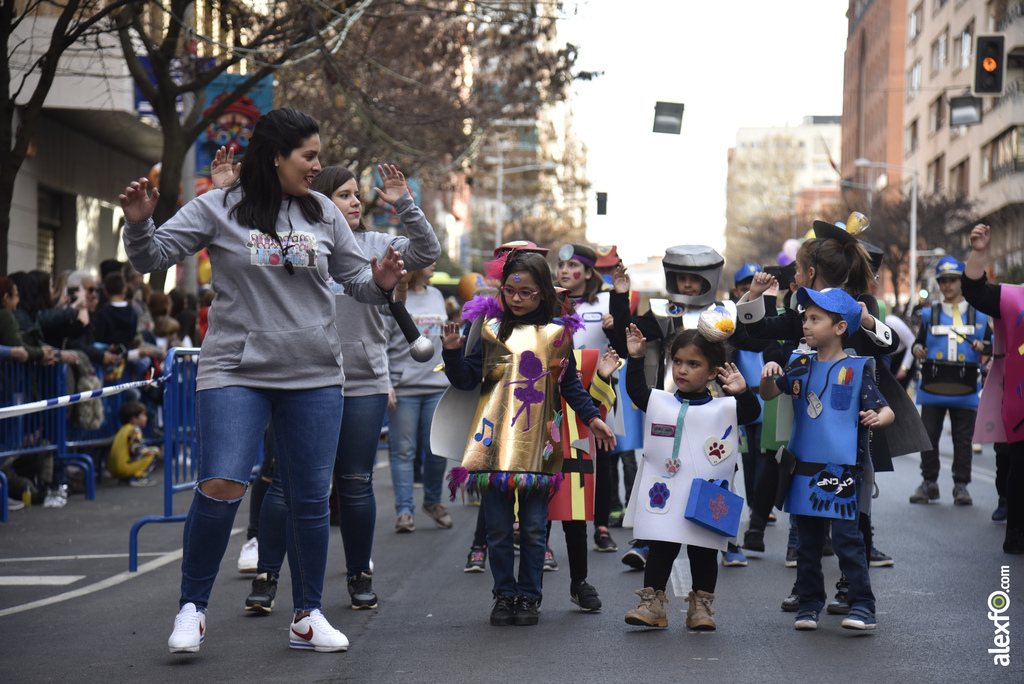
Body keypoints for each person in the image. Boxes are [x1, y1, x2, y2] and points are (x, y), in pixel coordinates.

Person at [120, 108, 406, 654]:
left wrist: (382, 282)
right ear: (276, 156)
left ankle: (307, 615)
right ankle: (192, 609)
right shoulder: (219, 207)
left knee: (308, 496)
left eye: (319, 155)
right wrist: (138, 222)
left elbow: (356, 283)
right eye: (310, 156)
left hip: (315, 373)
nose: (317, 166)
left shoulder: (323, 211)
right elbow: (150, 257)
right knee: (223, 482)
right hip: (236, 369)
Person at [231, 161, 440, 611]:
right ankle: (267, 576)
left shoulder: (376, 243)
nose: (354, 202)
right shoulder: (301, 242)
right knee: (287, 483)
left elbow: (426, 250)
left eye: (355, 196)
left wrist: (404, 203)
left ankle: (359, 574)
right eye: (343, 194)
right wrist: (232, 192)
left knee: (355, 482)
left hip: (362, 382)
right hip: (300, 376)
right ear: (320, 197)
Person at [440, 250, 616, 626]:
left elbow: (569, 385)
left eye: (526, 292)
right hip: (492, 445)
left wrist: (592, 418)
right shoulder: (489, 330)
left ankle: (529, 598)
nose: (516, 298)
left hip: (540, 446)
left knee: (535, 530)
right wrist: (453, 355)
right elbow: (468, 380)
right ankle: (504, 595)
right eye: (510, 291)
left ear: (542, 294)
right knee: (500, 529)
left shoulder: (557, 335)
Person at [759, 287, 893, 631]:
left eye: (815, 318)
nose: (805, 324)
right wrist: (768, 377)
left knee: (848, 542)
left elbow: (885, 409)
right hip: (802, 469)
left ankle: (863, 606)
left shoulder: (857, 368)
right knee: (808, 545)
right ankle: (809, 604)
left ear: (839, 327)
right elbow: (771, 393)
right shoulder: (799, 366)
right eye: (805, 318)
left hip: (843, 470)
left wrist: (878, 418)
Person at [621, 314, 759, 630]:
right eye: (678, 361)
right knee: (660, 547)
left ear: (712, 371)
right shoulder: (662, 402)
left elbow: (750, 413)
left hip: (707, 494)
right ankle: (652, 604)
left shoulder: (724, 408)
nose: (682, 369)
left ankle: (701, 608)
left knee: (703, 551)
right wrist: (636, 358)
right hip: (666, 495)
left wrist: (742, 391)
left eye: (693, 364)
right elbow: (638, 392)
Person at [961, 223, 1024, 554]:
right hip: (1020, 401)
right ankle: (1016, 532)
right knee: (1019, 466)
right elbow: (973, 291)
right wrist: (979, 251)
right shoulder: (1015, 297)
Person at [910, 256, 989, 506]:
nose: (947, 285)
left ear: (961, 281)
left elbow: (991, 344)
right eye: (943, 280)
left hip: (965, 386)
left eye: (952, 280)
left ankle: (961, 485)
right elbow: (918, 343)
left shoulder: (979, 315)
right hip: (933, 386)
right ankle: (929, 482)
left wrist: (983, 345)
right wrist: (917, 350)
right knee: (929, 436)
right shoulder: (929, 313)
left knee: (963, 439)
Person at [555, 243, 618, 553]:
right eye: (561, 266)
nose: (565, 271)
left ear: (589, 272)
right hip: (557, 389)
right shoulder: (551, 302)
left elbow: (623, 339)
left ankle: (602, 527)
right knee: (555, 457)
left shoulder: (607, 301)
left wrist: (615, 321)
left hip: (597, 389)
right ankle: (542, 536)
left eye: (572, 266)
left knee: (601, 456)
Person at [386, 263, 451, 532]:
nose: (434, 262)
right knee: (403, 452)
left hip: (437, 385)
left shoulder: (436, 295)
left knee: (436, 450)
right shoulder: (393, 297)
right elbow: (381, 340)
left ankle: (432, 502)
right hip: (404, 388)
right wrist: (386, 382)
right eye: (428, 258)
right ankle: (404, 511)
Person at [108, 401, 160, 486]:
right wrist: (146, 451)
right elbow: (135, 449)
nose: (146, 418)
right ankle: (138, 477)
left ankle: (125, 479)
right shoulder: (135, 430)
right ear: (134, 419)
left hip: (113, 469)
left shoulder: (123, 429)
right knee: (154, 451)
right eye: (143, 415)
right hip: (123, 469)